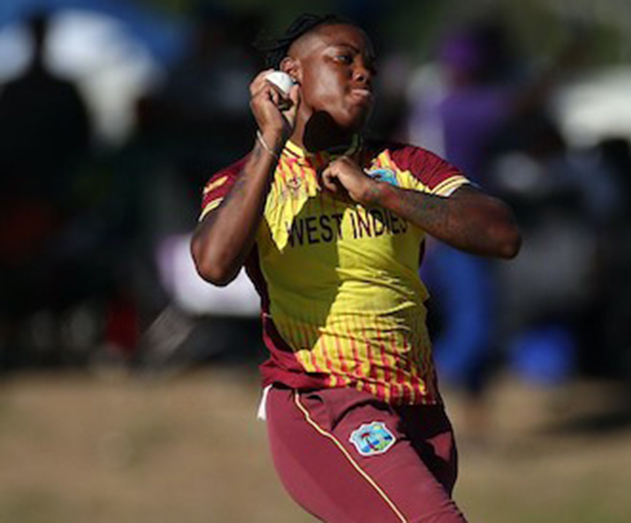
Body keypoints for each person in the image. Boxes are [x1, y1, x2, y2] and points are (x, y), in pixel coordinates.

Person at [191, 14, 520, 522]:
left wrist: (379, 192)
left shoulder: (403, 166)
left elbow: (501, 234)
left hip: (418, 408)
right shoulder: (247, 178)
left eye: (370, 63)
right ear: (291, 76)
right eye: (344, 59)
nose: (363, 73)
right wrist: (269, 141)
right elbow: (213, 265)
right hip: (323, 401)